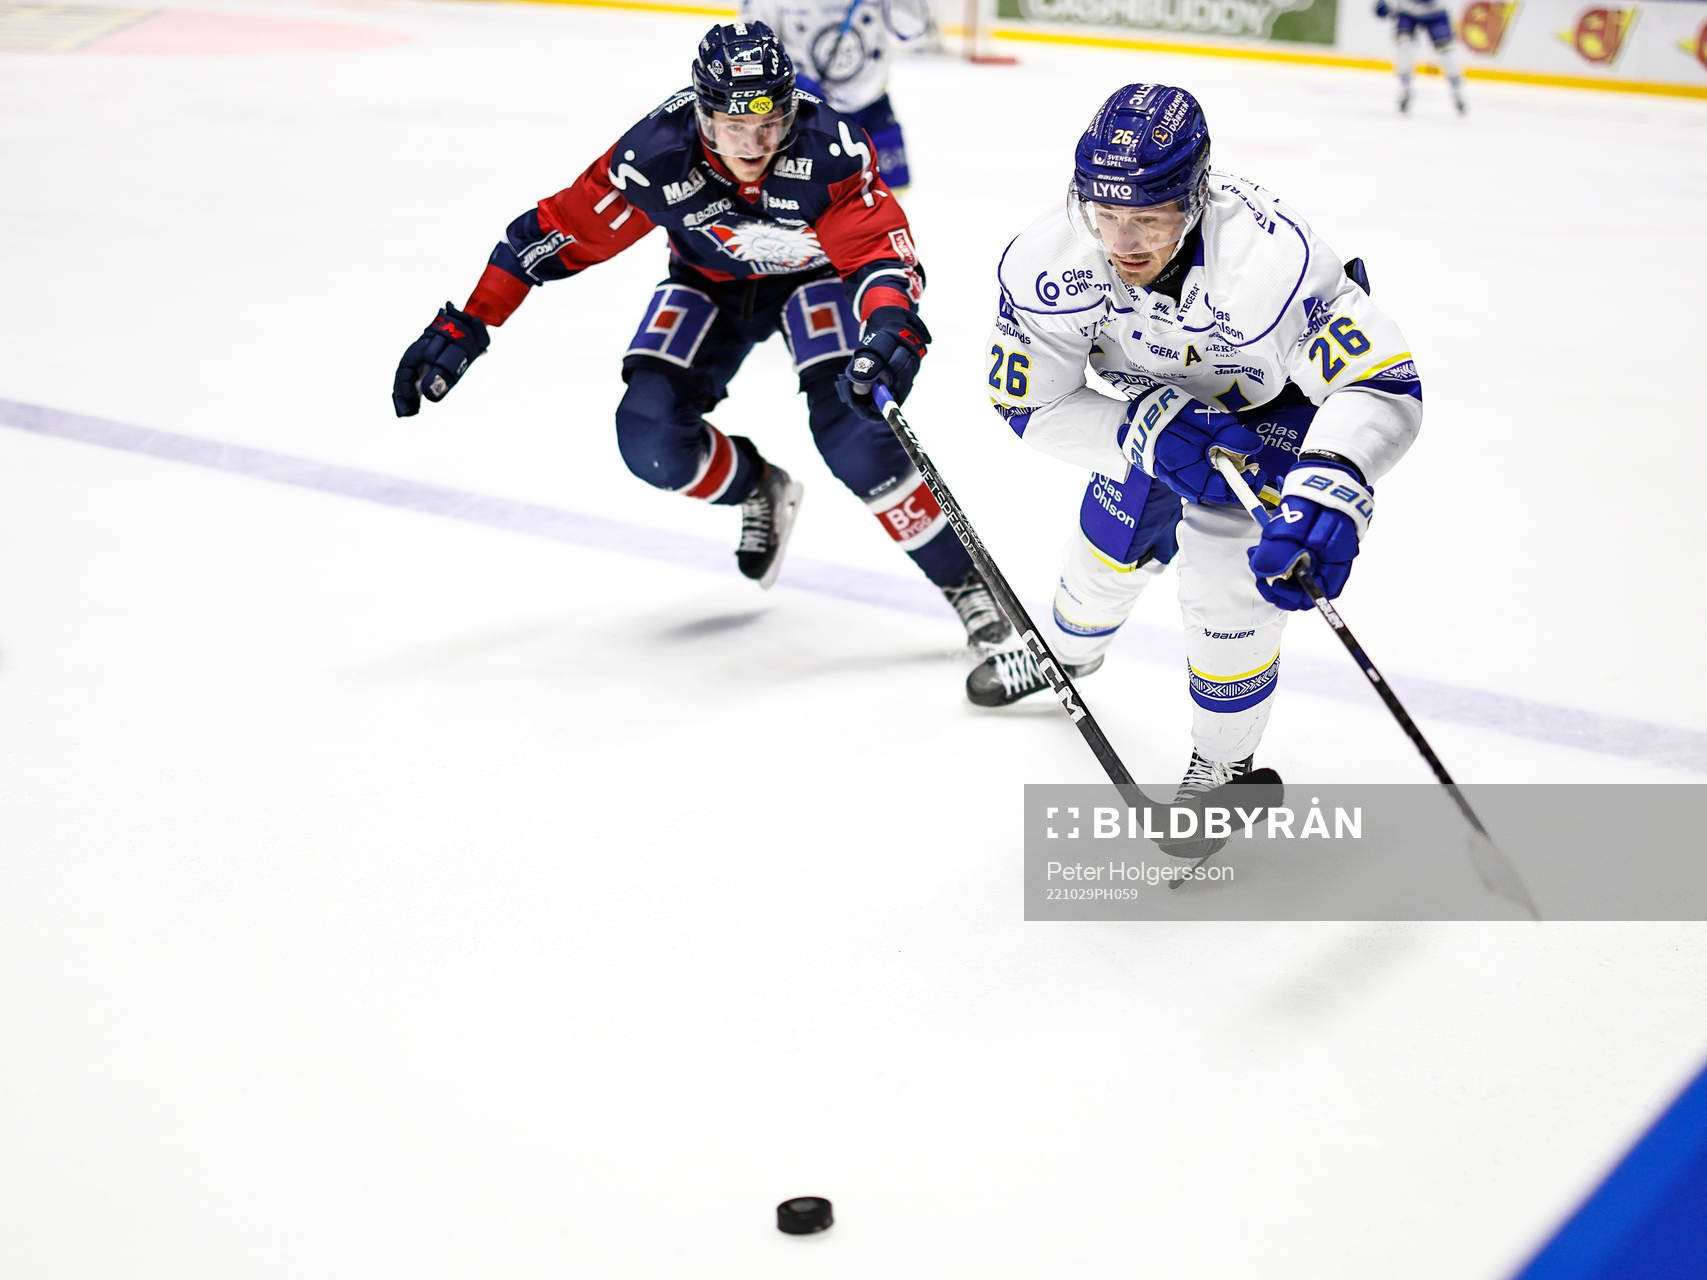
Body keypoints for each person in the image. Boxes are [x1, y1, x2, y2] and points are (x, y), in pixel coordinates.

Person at [392, 20, 1009, 647]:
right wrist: (469, 320)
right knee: (649, 438)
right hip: (709, 282)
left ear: (791, 110)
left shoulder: (831, 148)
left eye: (768, 125)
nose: (752, 144)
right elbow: (550, 236)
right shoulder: (655, 156)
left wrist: (888, 322)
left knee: (856, 438)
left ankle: (969, 588)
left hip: (815, 280)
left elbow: (878, 253)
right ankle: (759, 488)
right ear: (701, 113)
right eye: (733, 126)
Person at [967, 83, 1422, 840]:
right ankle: (1066, 656)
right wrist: (1141, 431)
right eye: (1104, 214)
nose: (1123, 241)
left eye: (1147, 216)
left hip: (1264, 416)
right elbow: (1029, 404)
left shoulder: (1273, 258)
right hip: (1149, 410)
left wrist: (1334, 480)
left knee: (1228, 580)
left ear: (1194, 195)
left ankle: (1221, 767)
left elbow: (1379, 380)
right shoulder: (1047, 261)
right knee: (1102, 549)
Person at [738, 0, 922, 188]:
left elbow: (912, 31)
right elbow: (752, 48)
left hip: (870, 110)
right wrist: (791, 82)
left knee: (887, 196)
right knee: (806, 201)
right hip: (804, 118)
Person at [1376, 0, 1468, 114]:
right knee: (1404, 47)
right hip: (1407, 12)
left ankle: (1457, 92)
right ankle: (1405, 89)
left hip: (1435, 12)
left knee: (1447, 53)